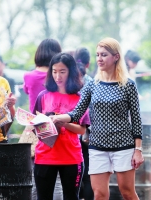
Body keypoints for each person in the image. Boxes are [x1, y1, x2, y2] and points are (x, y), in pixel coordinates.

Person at [51, 37, 144, 200]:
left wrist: (138, 150)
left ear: (116, 57)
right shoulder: (92, 85)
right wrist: (56, 118)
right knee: (99, 194)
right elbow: (76, 114)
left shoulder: (128, 85)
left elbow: (136, 119)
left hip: (123, 145)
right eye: (97, 55)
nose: (99, 59)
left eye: (104, 55)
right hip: (97, 147)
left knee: (127, 192)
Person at [33, 52, 90, 200]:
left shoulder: (79, 98)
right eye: (54, 71)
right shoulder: (43, 96)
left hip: (72, 157)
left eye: (62, 72)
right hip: (45, 156)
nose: (58, 76)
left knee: (71, 197)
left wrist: (63, 123)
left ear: (70, 72)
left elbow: (82, 130)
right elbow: (34, 125)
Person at [23, 38, 62, 200]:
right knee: (58, 174)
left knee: (35, 173)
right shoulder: (59, 76)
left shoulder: (29, 76)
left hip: (35, 127)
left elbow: (27, 92)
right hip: (58, 125)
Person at [74, 47, 94, 200]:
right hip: (87, 133)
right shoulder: (92, 83)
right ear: (88, 65)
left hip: (72, 133)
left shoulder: (68, 86)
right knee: (88, 173)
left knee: (75, 173)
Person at [23, 38, 62, 112]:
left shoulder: (28, 76)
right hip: (58, 120)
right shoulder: (61, 76)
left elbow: (26, 91)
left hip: (35, 121)